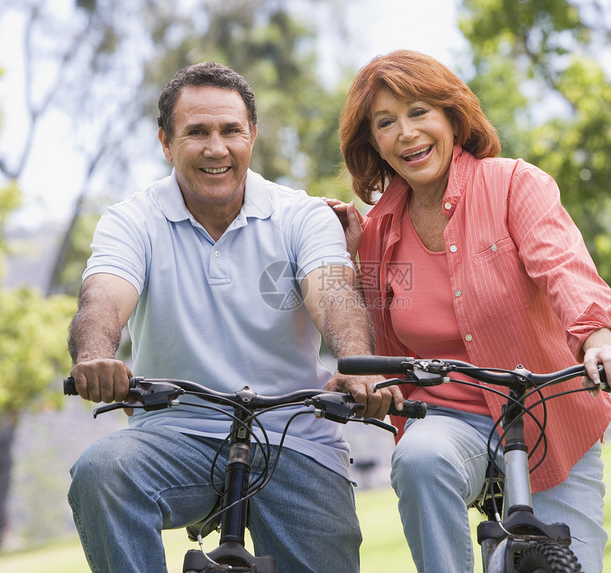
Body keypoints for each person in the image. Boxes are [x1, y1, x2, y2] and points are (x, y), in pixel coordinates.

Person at [66, 61, 401, 573]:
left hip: (294, 435)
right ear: (165, 142)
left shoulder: (302, 215)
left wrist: (359, 366)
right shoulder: (132, 219)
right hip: (175, 431)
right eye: (196, 132)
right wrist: (94, 357)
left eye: (230, 131)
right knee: (101, 472)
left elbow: (335, 296)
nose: (216, 148)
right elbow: (104, 297)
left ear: (253, 136)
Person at [331, 50, 611, 573]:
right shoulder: (378, 230)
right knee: (420, 460)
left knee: (571, 565)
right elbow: (384, 347)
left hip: (547, 412)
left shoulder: (515, 183)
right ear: (373, 142)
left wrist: (598, 338)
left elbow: (564, 269)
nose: (406, 133)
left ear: (452, 116)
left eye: (419, 111)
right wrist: (351, 260)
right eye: (386, 122)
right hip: (446, 419)